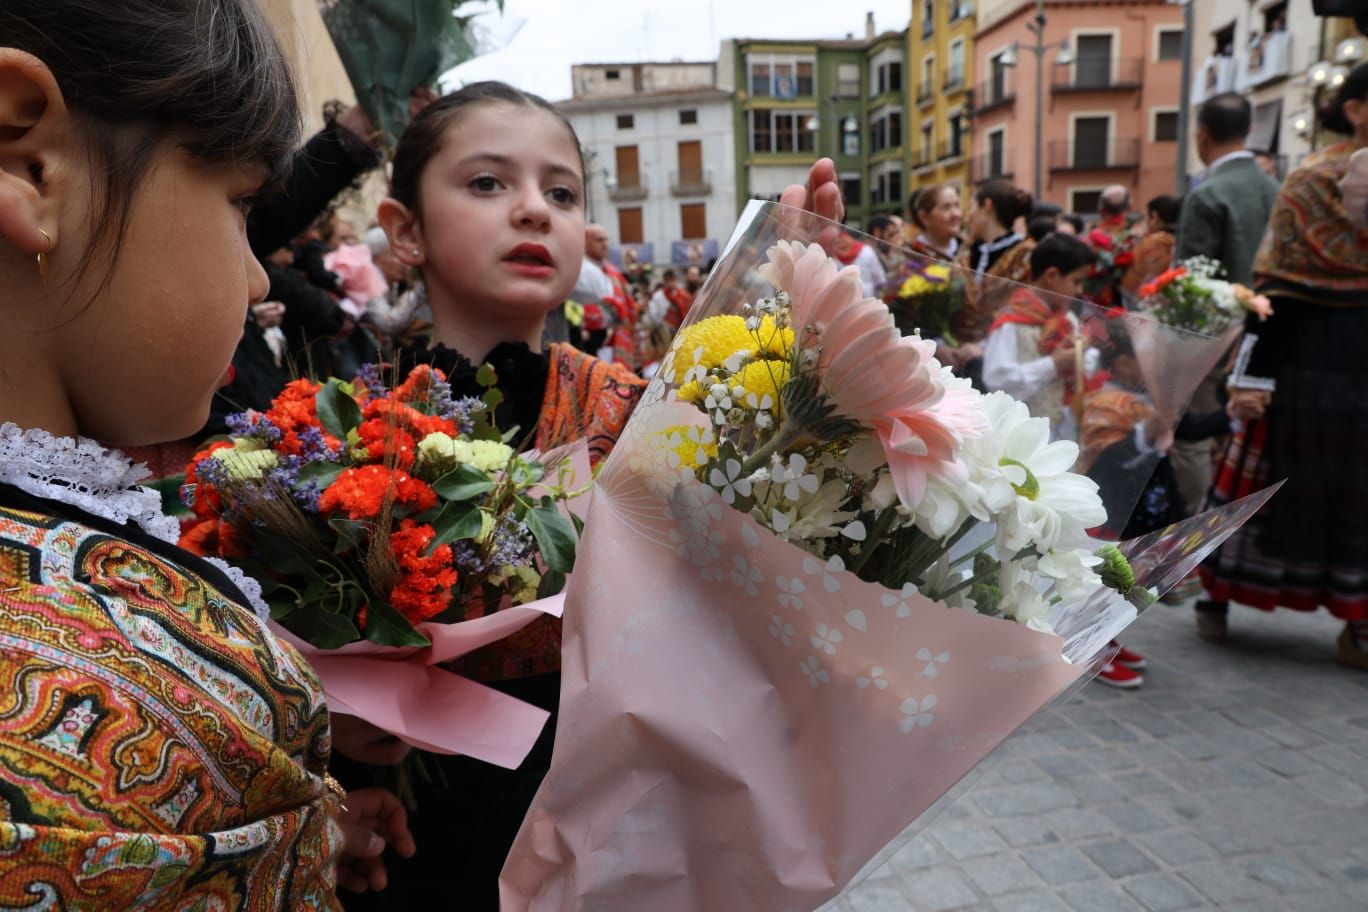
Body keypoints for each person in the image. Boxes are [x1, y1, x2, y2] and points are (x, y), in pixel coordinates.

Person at [342, 81, 846, 909]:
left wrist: (788, 351)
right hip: (407, 829)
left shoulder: (641, 412)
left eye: (562, 192)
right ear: (404, 231)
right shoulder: (331, 431)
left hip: (599, 819)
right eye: (488, 183)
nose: (535, 210)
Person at [0, 1, 416, 905]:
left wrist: (289, 842)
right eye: (239, 203)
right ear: (32, 165)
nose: (261, 272)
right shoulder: (133, 675)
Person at [1195, 63, 1368, 669]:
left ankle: (1359, 625)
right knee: (1261, 475)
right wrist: (1253, 378)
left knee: (1358, 496)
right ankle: (1216, 593)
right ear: (1355, 108)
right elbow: (1281, 289)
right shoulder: (1311, 179)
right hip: (1303, 352)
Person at [981, 233, 1096, 431]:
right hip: (1021, 431)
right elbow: (997, 381)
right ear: (1051, 276)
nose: (1079, 291)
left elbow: (1086, 368)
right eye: (1076, 281)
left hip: (1064, 428)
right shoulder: (1011, 322)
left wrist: (1081, 354)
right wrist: (1053, 364)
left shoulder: (1067, 318)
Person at [1176, 92, 1280, 287]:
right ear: (1249, 130)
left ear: (1202, 136)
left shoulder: (1206, 194)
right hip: (1276, 311)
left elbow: (1191, 280)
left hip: (1226, 313)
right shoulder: (1276, 188)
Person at [955, 179, 1037, 375]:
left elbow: (1024, 308)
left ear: (987, 206)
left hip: (1003, 356)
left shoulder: (1026, 253)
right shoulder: (966, 251)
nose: (968, 216)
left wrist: (983, 345)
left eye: (972, 207)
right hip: (960, 355)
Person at [1122, 194, 1182, 299]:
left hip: (1144, 299)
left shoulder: (1149, 244)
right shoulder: (1181, 240)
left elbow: (1131, 283)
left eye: (1147, 217)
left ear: (1154, 216)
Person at [906, 183, 963, 261]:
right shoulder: (910, 256)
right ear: (924, 217)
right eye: (946, 207)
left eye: (957, 205)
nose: (956, 214)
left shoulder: (971, 250)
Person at [834, 226, 887, 297]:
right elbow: (879, 278)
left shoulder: (832, 254)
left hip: (844, 296)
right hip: (866, 294)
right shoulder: (867, 251)